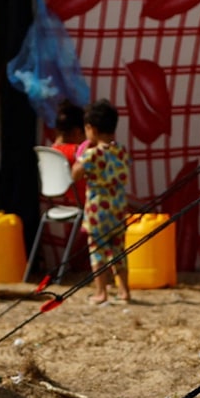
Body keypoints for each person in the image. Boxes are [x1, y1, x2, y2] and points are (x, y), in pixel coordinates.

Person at [72, 98, 132, 304]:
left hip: (98, 210)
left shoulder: (92, 155)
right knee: (119, 250)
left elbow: (76, 174)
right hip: (118, 209)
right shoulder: (121, 151)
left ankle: (101, 292)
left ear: (91, 129)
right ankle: (124, 290)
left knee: (97, 251)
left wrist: (82, 154)